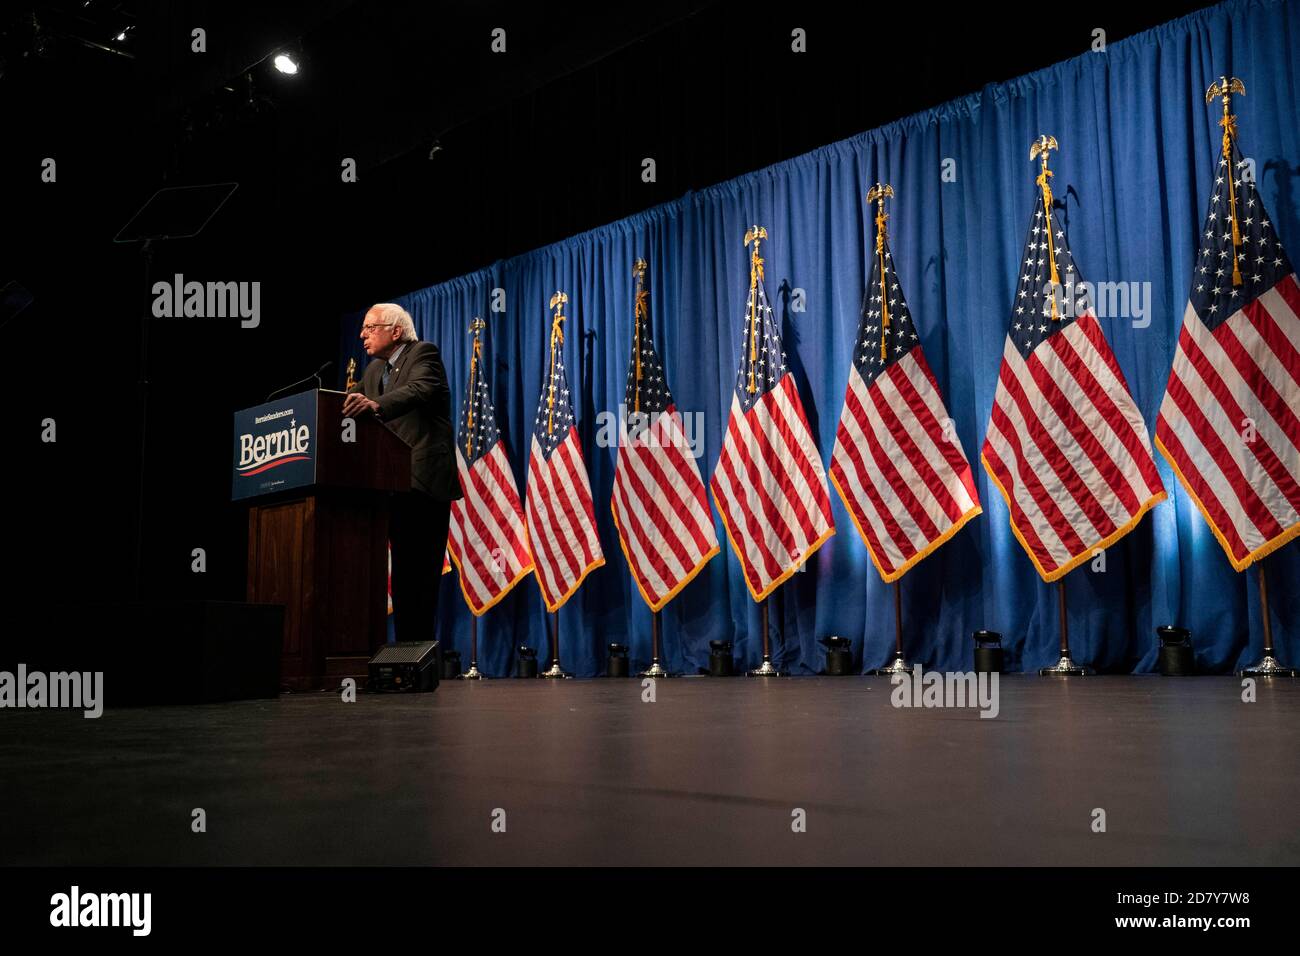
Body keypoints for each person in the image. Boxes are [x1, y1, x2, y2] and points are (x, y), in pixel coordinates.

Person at [342, 303, 461, 644]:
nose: (362, 334)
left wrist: (376, 405)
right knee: (402, 577)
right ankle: (402, 655)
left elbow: (419, 390)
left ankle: (418, 656)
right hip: (389, 487)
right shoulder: (373, 371)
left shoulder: (423, 353)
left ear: (395, 331)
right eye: (362, 328)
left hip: (423, 483)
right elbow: (345, 402)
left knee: (421, 576)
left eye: (370, 327)